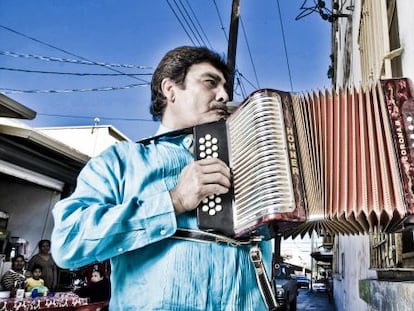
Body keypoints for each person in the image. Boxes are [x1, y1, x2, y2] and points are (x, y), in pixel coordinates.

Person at [51, 46, 272, 310]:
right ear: (170, 89)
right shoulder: (122, 161)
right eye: (210, 82)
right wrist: (174, 201)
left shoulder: (250, 164)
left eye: (225, 87)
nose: (224, 95)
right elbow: (67, 243)